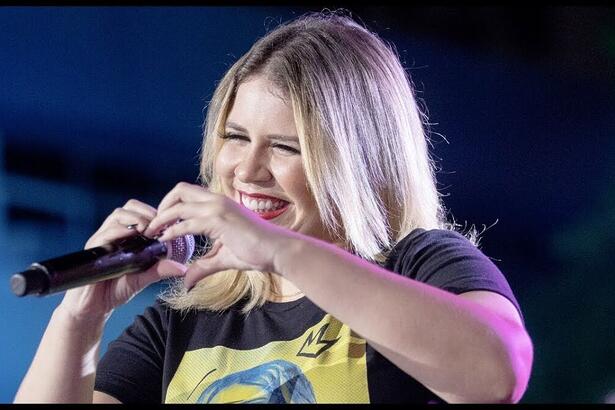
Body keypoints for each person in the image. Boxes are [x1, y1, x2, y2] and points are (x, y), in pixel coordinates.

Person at [14, 10, 533, 404]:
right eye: (235, 137)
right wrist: (81, 316)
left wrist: (281, 251)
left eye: (287, 147)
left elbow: (495, 375)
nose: (247, 169)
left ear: (358, 161)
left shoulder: (422, 265)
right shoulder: (186, 325)